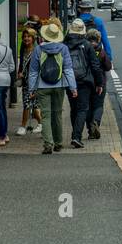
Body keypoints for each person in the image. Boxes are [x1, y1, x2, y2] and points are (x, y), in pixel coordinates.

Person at [27, 20, 77, 154]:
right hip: (60, 85)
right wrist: (73, 87)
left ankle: (48, 143)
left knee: (46, 115)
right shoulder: (63, 48)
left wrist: (31, 89)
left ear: (45, 35)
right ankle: (59, 143)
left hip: (42, 87)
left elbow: (33, 72)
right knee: (57, 114)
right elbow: (68, 69)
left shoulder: (38, 49)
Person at [65, 19, 103, 149]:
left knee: (74, 108)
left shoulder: (65, 44)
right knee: (83, 109)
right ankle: (76, 137)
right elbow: (95, 66)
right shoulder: (86, 45)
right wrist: (99, 83)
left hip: (69, 81)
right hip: (84, 81)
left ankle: (75, 134)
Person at [85, 26, 112, 140]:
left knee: (88, 106)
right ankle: (95, 121)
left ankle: (90, 131)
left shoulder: (84, 49)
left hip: (87, 81)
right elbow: (107, 67)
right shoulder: (101, 51)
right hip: (100, 82)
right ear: (98, 39)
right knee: (99, 105)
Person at [16, 25, 43, 135]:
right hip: (25, 81)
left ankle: (23, 126)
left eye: (29, 36)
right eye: (24, 36)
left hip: (35, 81)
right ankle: (41, 124)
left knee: (30, 104)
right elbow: (22, 63)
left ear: (33, 38)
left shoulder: (37, 50)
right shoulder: (23, 48)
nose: (26, 38)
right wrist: (20, 72)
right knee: (30, 104)